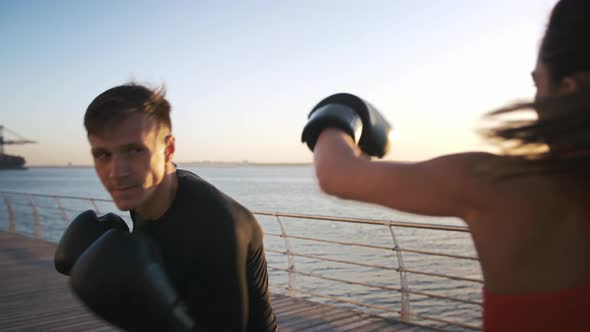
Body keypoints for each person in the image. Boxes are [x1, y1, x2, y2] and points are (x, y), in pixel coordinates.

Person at [301, 0, 590, 331]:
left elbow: (336, 174)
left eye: (537, 83)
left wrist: (339, 113)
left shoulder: (503, 187)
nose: (537, 98)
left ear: (568, 91)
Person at [55, 83, 278, 331]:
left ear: (168, 149)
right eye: (103, 155)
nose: (117, 173)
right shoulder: (144, 190)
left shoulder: (215, 227)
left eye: (135, 150)